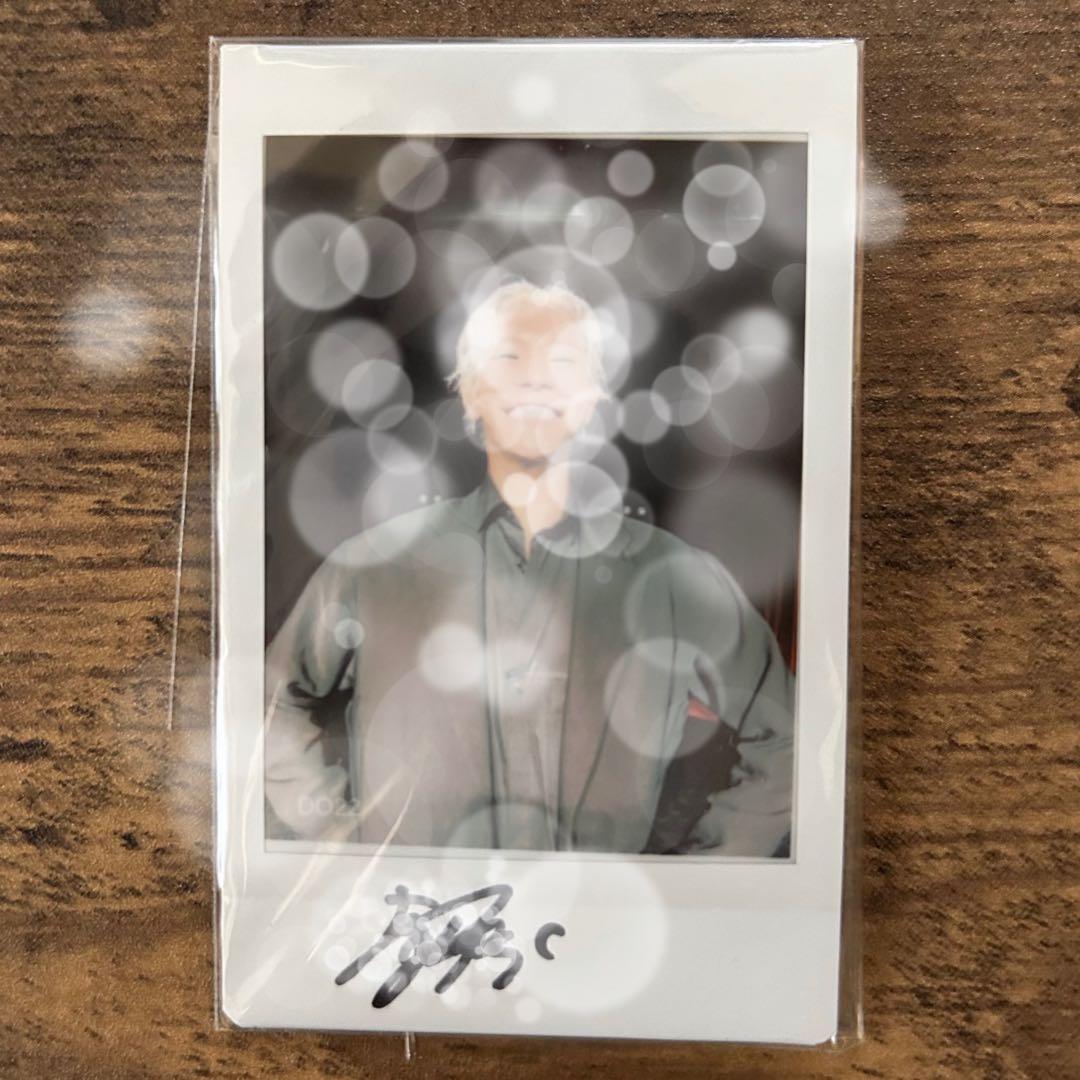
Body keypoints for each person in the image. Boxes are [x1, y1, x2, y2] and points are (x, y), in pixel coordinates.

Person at [265, 281, 794, 855]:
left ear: (593, 401)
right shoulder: (372, 565)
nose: (537, 378)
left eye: (563, 360)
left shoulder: (678, 580)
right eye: (510, 357)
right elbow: (267, 708)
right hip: (418, 910)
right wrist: (339, 844)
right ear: (470, 392)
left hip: (599, 908)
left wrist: (702, 880)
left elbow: (789, 741)